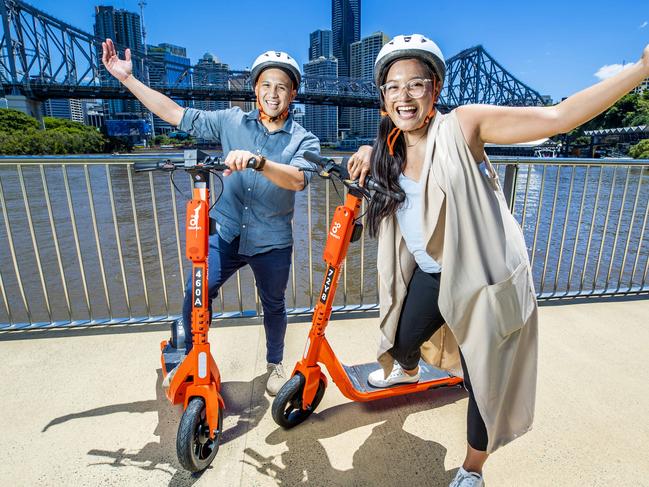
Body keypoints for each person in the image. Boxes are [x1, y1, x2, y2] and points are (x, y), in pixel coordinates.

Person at [348, 34, 649, 486]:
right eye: (392, 86)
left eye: (416, 84)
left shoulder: (463, 126)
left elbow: (559, 117)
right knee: (401, 344)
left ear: (435, 89)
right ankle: (408, 373)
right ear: (383, 97)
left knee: (483, 385)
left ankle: (472, 470)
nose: (403, 96)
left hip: (479, 282)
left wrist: (642, 67)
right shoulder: (388, 149)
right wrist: (369, 151)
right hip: (432, 276)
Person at [101, 39, 320, 395]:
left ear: (292, 93)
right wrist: (128, 80)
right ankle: (193, 358)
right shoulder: (229, 121)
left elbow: (298, 179)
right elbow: (176, 114)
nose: (273, 94)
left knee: (274, 305)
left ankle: (275, 364)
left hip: (272, 240)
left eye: (281, 86)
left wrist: (258, 161)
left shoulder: (304, 139)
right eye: (266, 85)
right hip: (227, 230)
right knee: (197, 293)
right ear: (254, 89)